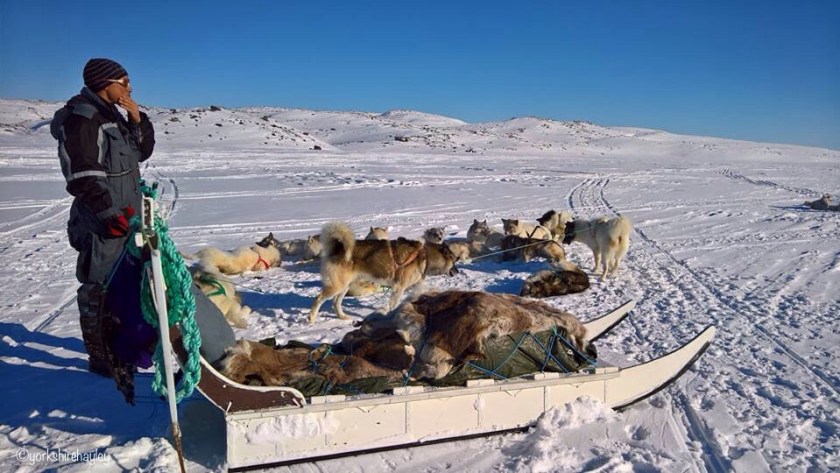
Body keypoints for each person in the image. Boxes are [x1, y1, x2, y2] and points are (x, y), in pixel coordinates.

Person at [50, 58, 155, 376]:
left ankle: (124, 346)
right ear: (104, 82)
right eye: (124, 81)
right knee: (99, 284)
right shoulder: (84, 118)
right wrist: (109, 214)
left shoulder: (112, 116)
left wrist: (137, 120)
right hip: (103, 220)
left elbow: (141, 153)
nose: (129, 87)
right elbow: (83, 175)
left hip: (126, 218)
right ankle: (101, 354)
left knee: (127, 281)